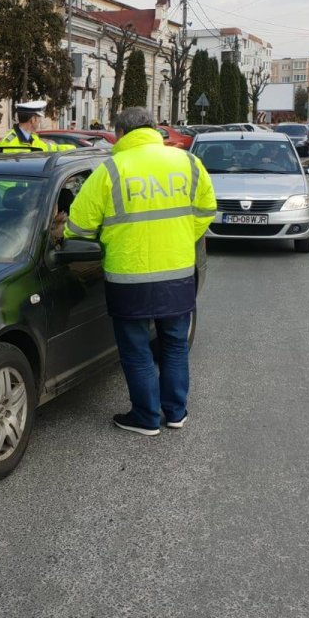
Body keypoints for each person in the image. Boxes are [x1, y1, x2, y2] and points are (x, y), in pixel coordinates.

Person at [64, 106, 215, 435]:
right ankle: (176, 413)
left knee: (136, 350)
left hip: (129, 277)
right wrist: (179, 237)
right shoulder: (187, 162)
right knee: (174, 345)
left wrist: (94, 238)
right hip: (177, 272)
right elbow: (206, 210)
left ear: (120, 133)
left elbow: (77, 226)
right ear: (154, 128)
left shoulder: (111, 170)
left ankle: (146, 418)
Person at [0, 101, 67, 154]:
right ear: (33, 119)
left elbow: (50, 148)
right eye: (39, 118)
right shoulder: (9, 143)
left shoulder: (33, 138)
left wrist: (74, 149)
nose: (39, 121)